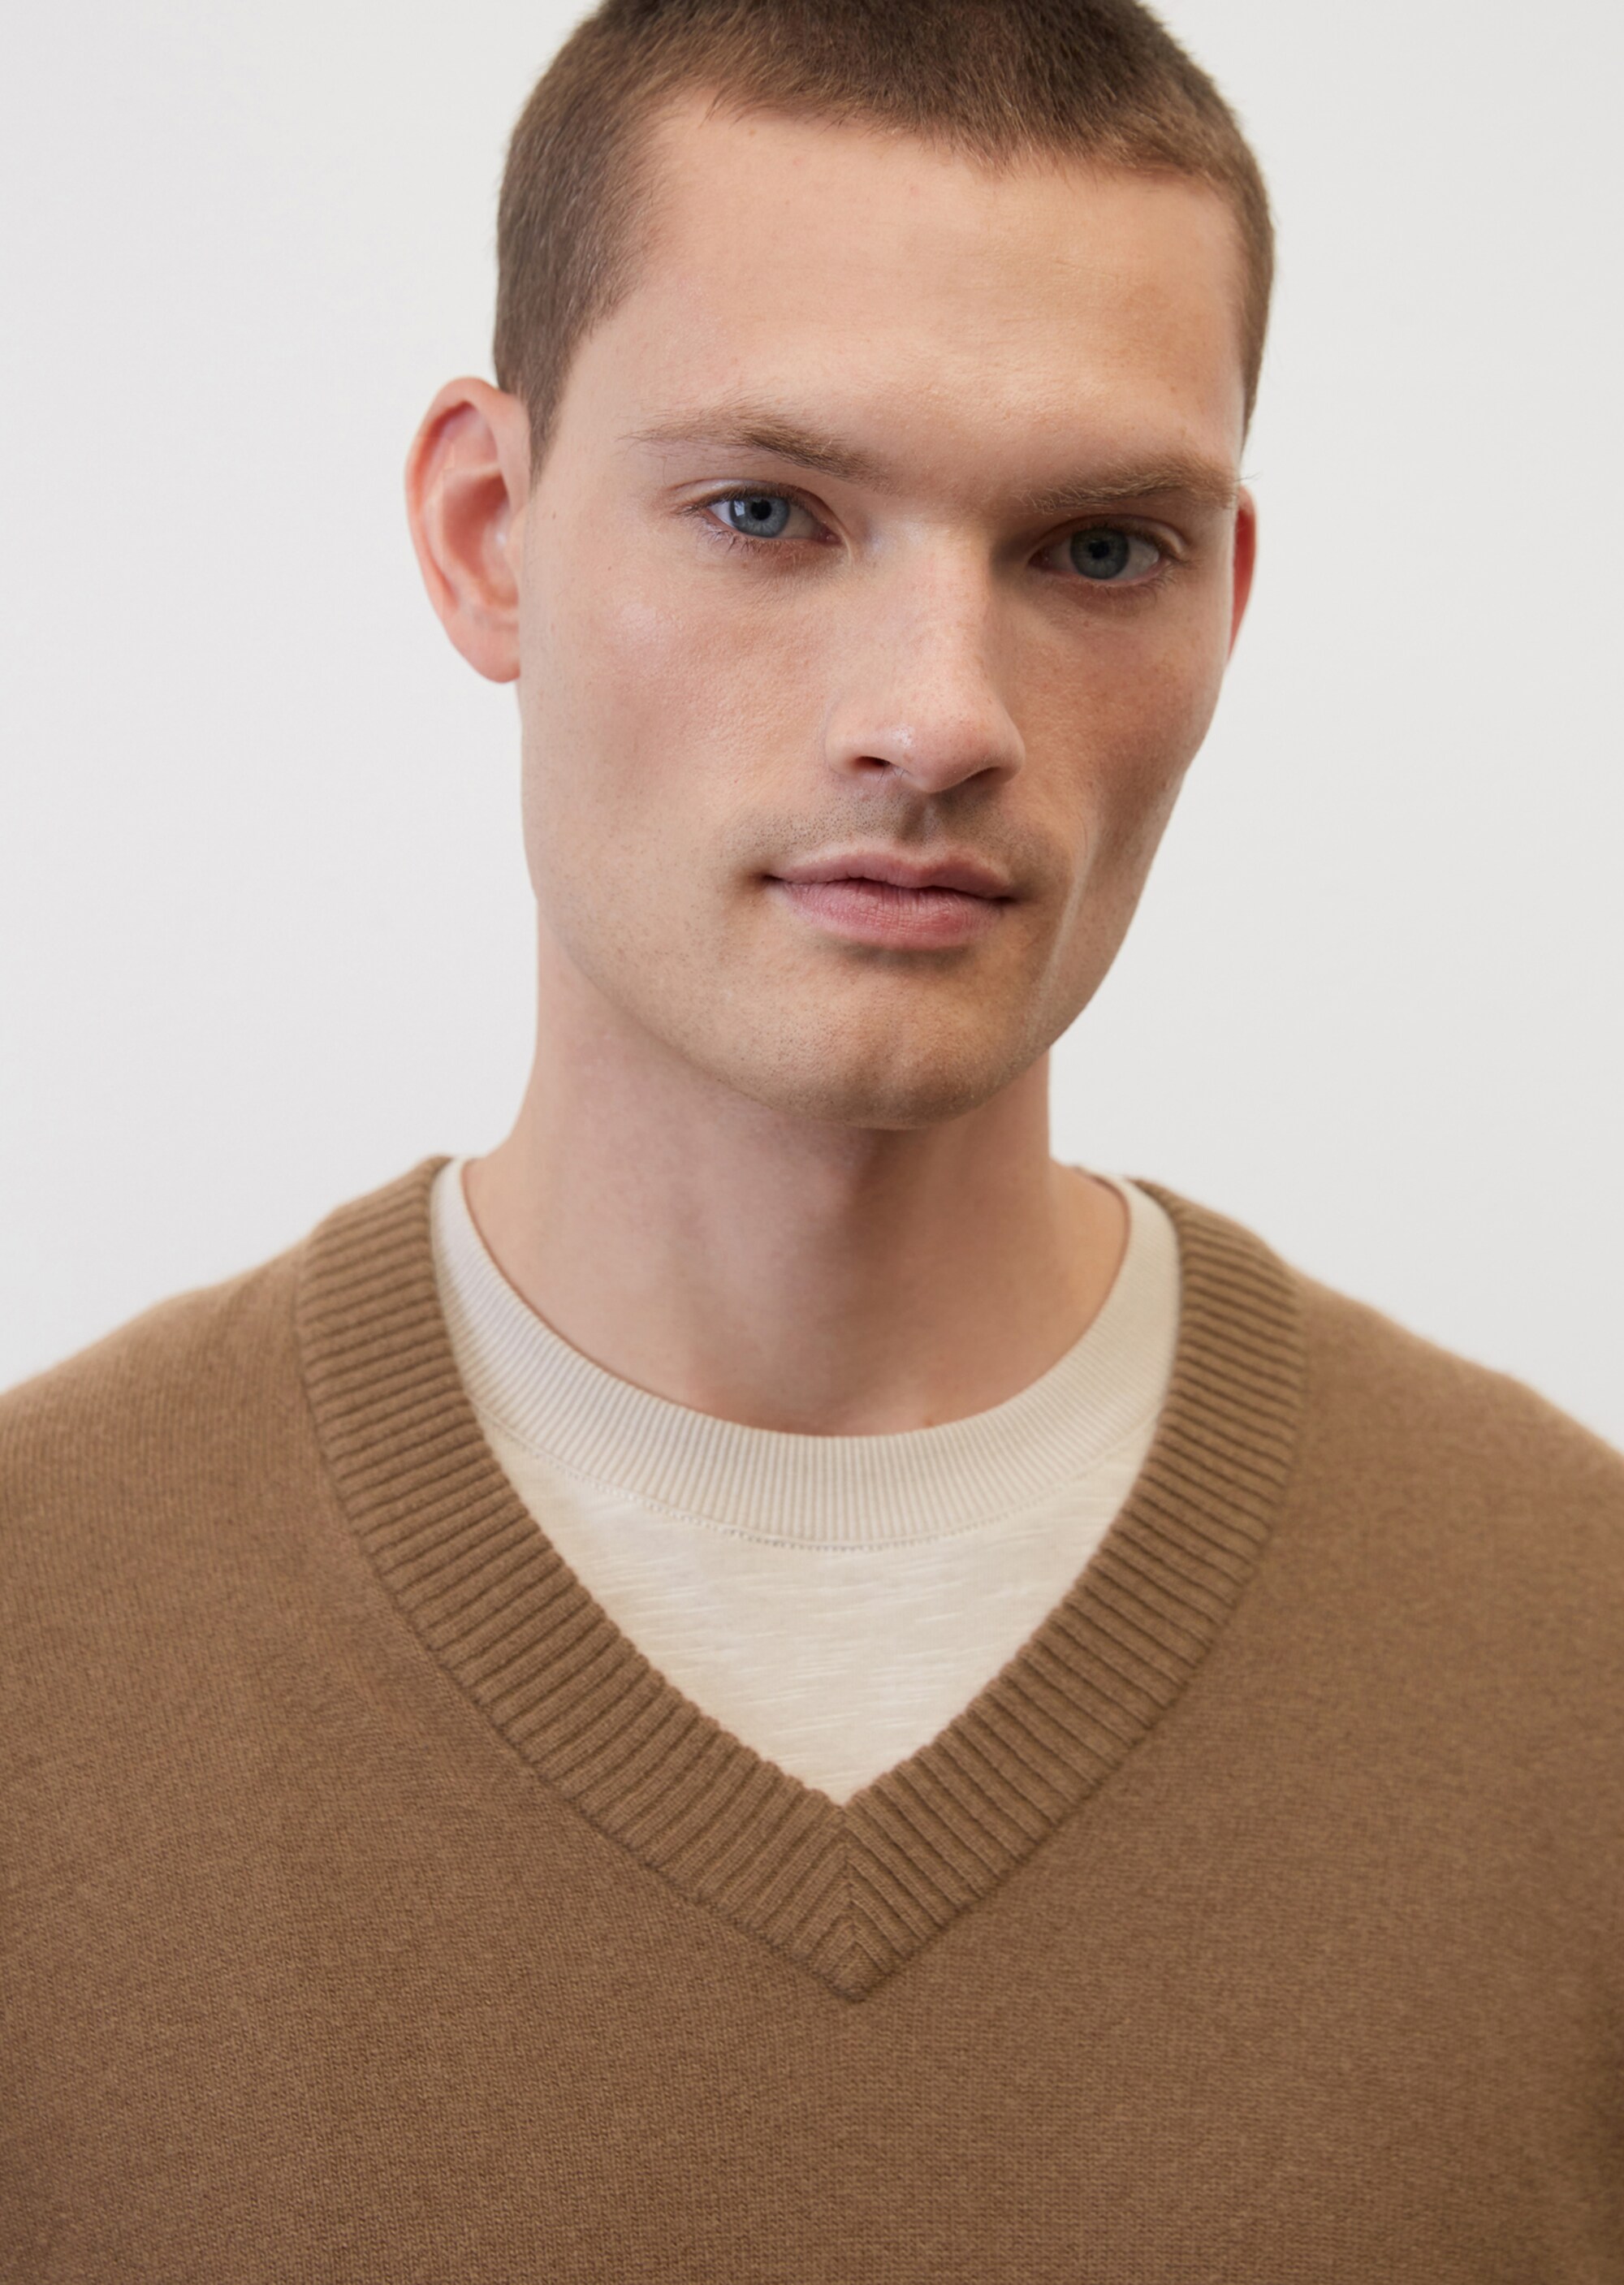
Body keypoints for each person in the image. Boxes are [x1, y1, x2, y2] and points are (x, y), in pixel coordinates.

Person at [3, 0, 1621, 2274]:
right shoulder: (44, 1636)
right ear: (485, 531)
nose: (939, 719)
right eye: (767, 512)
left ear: (1228, 603)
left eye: (1098, 549)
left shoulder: (1575, 1655)